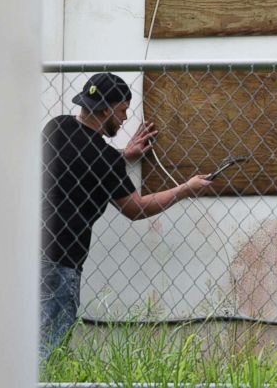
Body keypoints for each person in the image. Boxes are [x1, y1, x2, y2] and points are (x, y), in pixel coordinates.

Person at [39, 72, 213, 361]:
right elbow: (135, 208)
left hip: (32, 250)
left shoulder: (56, 127)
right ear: (106, 108)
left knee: (30, 338)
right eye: (122, 110)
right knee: (49, 349)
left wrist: (122, 155)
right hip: (62, 259)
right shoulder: (104, 160)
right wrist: (186, 189)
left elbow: (81, 161)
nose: (123, 118)